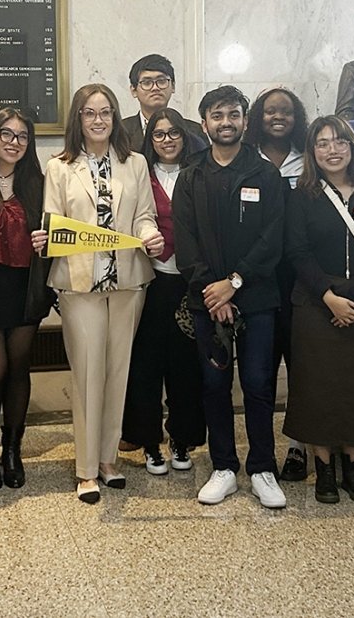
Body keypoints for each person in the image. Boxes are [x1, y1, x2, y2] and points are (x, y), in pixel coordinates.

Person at [30, 84, 163, 504]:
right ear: (78, 119)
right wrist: (45, 239)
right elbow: (53, 223)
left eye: (105, 112)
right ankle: (85, 469)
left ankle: (109, 460)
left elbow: (143, 215)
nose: (99, 120)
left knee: (117, 371)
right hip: (79, 283)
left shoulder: (135, 162)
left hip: (127, 281)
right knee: (87, 372)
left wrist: (151, 235)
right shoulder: (60, 167)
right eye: (89, 113)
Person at [173, 85, 286, 509]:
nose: (225, 122)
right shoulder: (192, 175)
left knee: (258, 384)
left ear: (244, 120)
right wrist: (214, 291)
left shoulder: (264, 173)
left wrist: (235, 283)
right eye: (216, 115)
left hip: (256, 297)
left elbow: (272, 239)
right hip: (207, 298)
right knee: (214, 384)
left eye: (233, 114)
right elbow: (185, 242)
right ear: (204, 124)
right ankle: (224, 467)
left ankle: (262, 469)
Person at [283, 116, 354, 505]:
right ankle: (325, 469)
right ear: (313, 151)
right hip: (316, 303)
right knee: (318, 387)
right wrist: (329, 296)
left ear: (352, 147)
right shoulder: (302, 195)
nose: (332, 150)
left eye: (340, 142)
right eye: (323, 143)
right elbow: (296, 251)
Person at [121, 107, 207, 475]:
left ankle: (181, 438)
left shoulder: (199, 174)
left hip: (189, 281)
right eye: (159, 134)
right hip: (151, 280)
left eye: (174, 133)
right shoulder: (140, 173)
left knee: (186, 366)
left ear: (185, 137)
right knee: (145, 365)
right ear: (149, 140)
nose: (167, 140)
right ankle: (149, 441)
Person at [0, 108, 53, 490]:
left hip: (26, 288)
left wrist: (47, 242)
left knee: (19, 366)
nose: (14, 142)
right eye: (6, 133)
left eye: (22, 136)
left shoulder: (39, 182)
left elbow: (61, 233)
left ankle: (12, 450)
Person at [244, 87, 310, 481]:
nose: (278, 117)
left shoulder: (309, 161)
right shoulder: (247, 160)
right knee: (261, 371)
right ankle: (261, 450)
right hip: (259, 279)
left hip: (300, 278)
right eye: (270, 111)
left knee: (301, 365)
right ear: (258, 117)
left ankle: (299, 447)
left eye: (286, 111)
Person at [121, 54, 206, 153]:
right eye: (147, 83)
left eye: (161, 81)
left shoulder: (194, 131)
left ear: (173, 86)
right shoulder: (120, 131)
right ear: (134, 90)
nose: (155, 88)